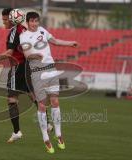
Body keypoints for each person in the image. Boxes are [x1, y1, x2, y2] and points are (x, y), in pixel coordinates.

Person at [0, 8, 52, 143]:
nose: (3, 22)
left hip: (19, 67)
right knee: (33, 96)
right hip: (30, 67)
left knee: (11, 99)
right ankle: (49, 123)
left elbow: (10, 52)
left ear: (12, 19)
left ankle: (17, 131)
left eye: (5, 19)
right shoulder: (27, 29)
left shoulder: (15, 31)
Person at [20, 12, 78, 153]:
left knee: (55, 102)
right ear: (27, 22)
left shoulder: (42, 30)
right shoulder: (24, 36)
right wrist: (35, 55)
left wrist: (70, 43)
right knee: (41, 105)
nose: (35, 23)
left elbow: (56, 41)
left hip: (51, 69)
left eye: (36, 21)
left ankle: (58, 135)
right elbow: (27, 55)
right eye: (32, 21)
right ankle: (46, 138)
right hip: (38, 72)